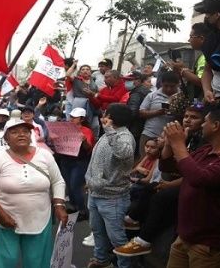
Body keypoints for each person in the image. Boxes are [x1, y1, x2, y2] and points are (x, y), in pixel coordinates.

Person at [163, 103, 220, 267]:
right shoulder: (206, 150)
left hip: (212, 246)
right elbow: (170, 168)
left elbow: (198, 178)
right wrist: (169, 145)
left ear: (216, 126)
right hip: (185, 238)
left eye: (205, 121)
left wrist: (178, 144)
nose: (202, 125)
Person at [114, 104, 207, 259]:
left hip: (192, 186)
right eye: (186, 116)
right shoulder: (185, 135)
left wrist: (169, 184)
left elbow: (193, 174)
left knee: (161, 196)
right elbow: (166, 166)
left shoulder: (203, 142)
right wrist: (168, 144)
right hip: (177, 179)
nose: (188, 120)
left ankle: (144, 241)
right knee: (151, 188)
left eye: (194, 117)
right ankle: (133, 220)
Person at [0, 118, 67, 268]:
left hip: (40, 218)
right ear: (6, 138)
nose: (21, 135)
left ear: (31, 135)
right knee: (3, 261)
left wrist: (59, 205)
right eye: (14, 132)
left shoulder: (45, 156)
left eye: (25, 131)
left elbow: (58, 181)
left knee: (37, 261)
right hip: (4, 220)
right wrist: (0, 214)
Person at [85, 103, 135, 268]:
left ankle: (124, 265)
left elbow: (124, 153)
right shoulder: (107, 135)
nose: (103, 116)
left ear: (112, 117)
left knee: (117, 238)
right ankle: (101, 261)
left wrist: (110, 131)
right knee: (98, 232)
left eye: (106, 114)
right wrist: (90, 181)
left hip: (113, 198)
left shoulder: (124, 136)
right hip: (95, 193)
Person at [54, 107, 95, 220]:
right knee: (69, 185)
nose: (71, 119)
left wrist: (84, 141)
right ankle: (74, 206)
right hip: (65, 160)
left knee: (75, 185)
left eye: (74, 117)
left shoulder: (86, 131)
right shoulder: (65, 128)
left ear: (81, 119)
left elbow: (89, 148)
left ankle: (82, 210)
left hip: (79, 162)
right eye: (71, 117)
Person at [138, 71, 180, 158]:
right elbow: (141, 112)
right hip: (149, 135)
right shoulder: (152, 95)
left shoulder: (182, 97)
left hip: (170, 138)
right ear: (161, 83)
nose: (168, 89)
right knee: (144, 162)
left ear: (177, 84)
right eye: (166, 86)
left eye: (172, 86)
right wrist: (158, 112)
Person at [125, 71, 152, 158]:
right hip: (143, 124)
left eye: (131, 80)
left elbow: (133, 111)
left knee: (132, 152)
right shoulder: (147, 92)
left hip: (135, 126)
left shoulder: (136, 93)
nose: (128, 83)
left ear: (138, 81)